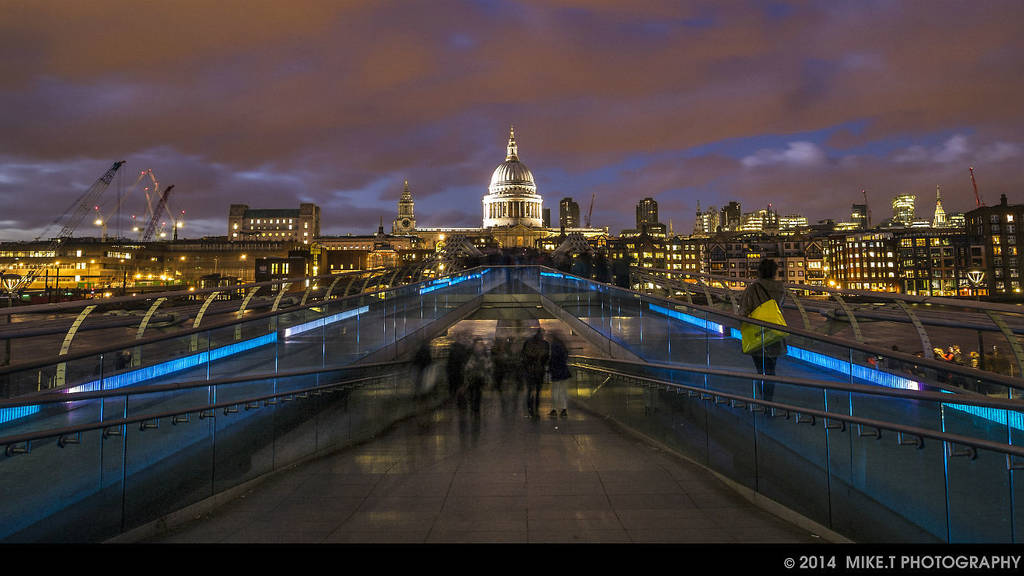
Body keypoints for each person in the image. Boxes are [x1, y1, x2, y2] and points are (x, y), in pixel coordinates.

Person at [739, 259, 787, 401]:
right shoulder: (781, 288)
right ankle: (769, 399)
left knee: (761, 369)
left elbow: (744, 311)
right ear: (774, 272)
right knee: (771, 368)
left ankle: (765, 400)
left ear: (758, 271)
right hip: (775, 332)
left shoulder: (753, 288)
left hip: (757, 334)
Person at [521, 328, 550, 418]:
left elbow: (524, 356)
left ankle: (530, 410)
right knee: (537, 391)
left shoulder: (528, 342)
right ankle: (536, 410)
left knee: (530, 391)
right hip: (539, 371)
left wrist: (527, 366)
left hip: (530, 371)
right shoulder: (545, 344)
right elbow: (546, 357)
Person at [548, 332, 572, 417]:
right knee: (563, 391)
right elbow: (565, 356)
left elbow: (552, 359)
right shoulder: (562, 345)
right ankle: (564, 409)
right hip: (564, 371)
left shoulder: (554, 346)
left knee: (555, 391)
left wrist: (550, 368)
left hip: (556, 371)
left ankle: (554, 409)